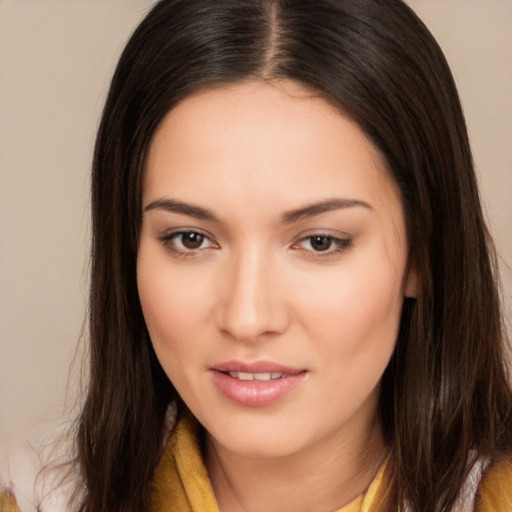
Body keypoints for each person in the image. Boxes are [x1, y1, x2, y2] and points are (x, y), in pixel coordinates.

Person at [1, 0, 512, 511]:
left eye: (320, 242)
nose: (247, 318)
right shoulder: (38, 499)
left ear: (422, 254)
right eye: (190, 239)